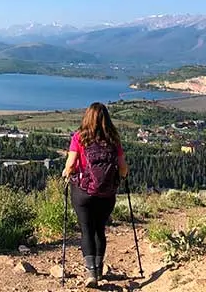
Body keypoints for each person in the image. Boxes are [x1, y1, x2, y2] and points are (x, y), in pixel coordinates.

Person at [62, 102, 128, 288]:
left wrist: (66, 174)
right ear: (106, 118)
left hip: (83, 192)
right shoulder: (113, 139)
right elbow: (123, 169)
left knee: (86, 230)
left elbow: (70, 165)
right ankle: (99, 270)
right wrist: (121, 176)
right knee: (100, 229)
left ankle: (91, 273)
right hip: (107, 193)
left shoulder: (79, 137)